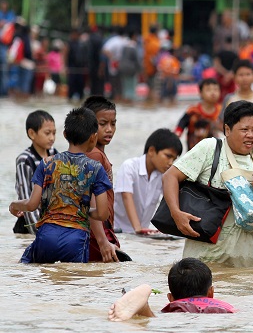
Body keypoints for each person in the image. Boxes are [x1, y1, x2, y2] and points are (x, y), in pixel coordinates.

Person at [163, 100, 253, 267]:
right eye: (244, 130)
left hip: (246, 255)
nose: (251, 135)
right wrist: (176, 213)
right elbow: (170, 177)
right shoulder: (210, 148)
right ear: (227, 129)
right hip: (205, 255)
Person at [9, 108, 112, 264]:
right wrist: (80, 209)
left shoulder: (47, 163)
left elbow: (31, 204)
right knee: (72, 283)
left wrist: (14, 205)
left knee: (28, 271)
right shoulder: (96, 169)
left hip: (45, 238)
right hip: (75, 240)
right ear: (94, 137)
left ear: (64, 134)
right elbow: (103, 214)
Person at [108, 258, 236, 321]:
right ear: (211, 293)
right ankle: (144, 309)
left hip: (180, 311)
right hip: (217, 314)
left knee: (155, 319)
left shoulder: (174, 306)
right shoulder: (226, 307)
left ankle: (145, 309)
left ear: (170, 298)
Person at [114, 129, 183, 234]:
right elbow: (126, 196)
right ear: (151, 151)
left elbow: (170, 201)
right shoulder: (129, 167)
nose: (170, 163)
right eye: (168, 156)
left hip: (143, 233)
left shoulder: (164, 176)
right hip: (118, 231)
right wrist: (138, 229)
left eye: (174, 159)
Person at [84, 96, 122, 263]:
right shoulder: (94, 154)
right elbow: (90, 199)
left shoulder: (97, 153)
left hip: (100, 229)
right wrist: (103, 241)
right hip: (97, 231)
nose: (109, 129)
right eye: (103, 123)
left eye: (113, 123)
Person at [14, 110, 58, 235]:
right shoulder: (25, 160)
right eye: (47, 133)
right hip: (29, 226)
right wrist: (37, 231)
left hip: (52, 221)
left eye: (54, 133)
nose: (52, 138)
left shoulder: (54, 154)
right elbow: (25, 197)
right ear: (32, 133)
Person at [174, 78, 222, 150]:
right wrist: (175, 138)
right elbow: (181, 125)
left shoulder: (221, 111)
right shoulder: (193, 111)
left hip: (214, 151)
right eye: (208, 90)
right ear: (200, 93)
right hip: (193, 150)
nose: (213, 93)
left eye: (216, 90)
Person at [221, 60, 253, 124]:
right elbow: (222, 121)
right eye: (241, 75)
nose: (245, 78)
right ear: (234, 77)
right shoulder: (229, 98)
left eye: (248, 74)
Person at [66, 29, 89, 102]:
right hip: (72, 67)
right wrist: (65, 66)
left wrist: (86, 66)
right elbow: (65, 54)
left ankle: (80, 99)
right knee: (71, 84)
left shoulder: (82, 44)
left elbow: (86, 56)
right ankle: (70, 98)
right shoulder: (69, 43)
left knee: (80, 84)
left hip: (80, 68)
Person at [143, 24, 160, 104]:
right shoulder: (154, 42)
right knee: (152, 88)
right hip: (152, 68)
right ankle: (151, 103)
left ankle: (148, 102)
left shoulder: (146, 40)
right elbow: (153, 58)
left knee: (149, 87)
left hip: (146, 67)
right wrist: (156, 67)